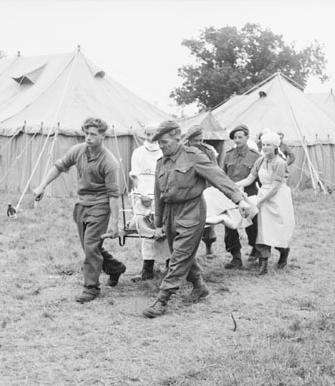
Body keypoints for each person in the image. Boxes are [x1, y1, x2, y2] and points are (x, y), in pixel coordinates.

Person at [142, 120, 252, 319]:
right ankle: (200, 286)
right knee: (180, 252)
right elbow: (158, 195)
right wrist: (158, 224)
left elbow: (219, 178)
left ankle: (163, 299)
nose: (161, 146)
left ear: (177, 137)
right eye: (159, 143)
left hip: (192, 210)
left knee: (178, 256)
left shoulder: (194, 157)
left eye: (165, 142)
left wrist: (240, 200)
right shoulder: (162, 162)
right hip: (170, 213)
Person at [33, 117, 126, 303]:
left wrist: (115, 223)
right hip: (82, 204)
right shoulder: (78, 151)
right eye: (86, 134)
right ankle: (115, 268)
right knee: (89, 246)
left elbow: (114, 195)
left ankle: (91, 288)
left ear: (102, 136)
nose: (88, 138)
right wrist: (42, 186)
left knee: (91, 246)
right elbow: (58, 167)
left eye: (93, 134)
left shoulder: (110, 162)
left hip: (100, 205)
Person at [237, 132, 295, 275]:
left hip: (278, 198)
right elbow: (250, 179)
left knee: (277, 229)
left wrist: (259, 201)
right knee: (262, 230)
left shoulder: (280, 163)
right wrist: (231, 185)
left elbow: (275, 188)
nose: (265, 147)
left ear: (275, 146)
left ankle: (283, 252)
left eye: (269, 145)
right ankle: (263, 265)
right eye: (263, 145)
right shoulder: (260, 161)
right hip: (263, 195)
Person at [129, 123, 169, 282]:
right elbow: (135, 177)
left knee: (165, 232)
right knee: (147, 233)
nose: (151, 137)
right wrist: (141, 196)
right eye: (148, 134)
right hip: (143, 197)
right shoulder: (138, 153)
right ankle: (147, 270)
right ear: (144, 135)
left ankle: (169, 266)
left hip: (162, 197)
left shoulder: (164, 152)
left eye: (154, 134)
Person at [222, 124, 261, 269]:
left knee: (252, 225)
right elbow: (223, 176)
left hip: (249, 196)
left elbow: (261, 179)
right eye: (235, 138)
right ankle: (235, 257)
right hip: (231, 196)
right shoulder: (228, 155)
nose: (237, 140)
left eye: (240, 137)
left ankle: (255, 249)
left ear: (247, 137)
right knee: (230, 225)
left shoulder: (256, 156)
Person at [183, 124, 218, 258]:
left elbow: (214, 171)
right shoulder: (183, 151)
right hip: (188, 189)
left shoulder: (208, 151)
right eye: (196, 141)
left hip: (205, 188)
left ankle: (209, 245)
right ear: (189, 140)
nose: (198, 143)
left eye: (200, 140)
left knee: (208, 221)